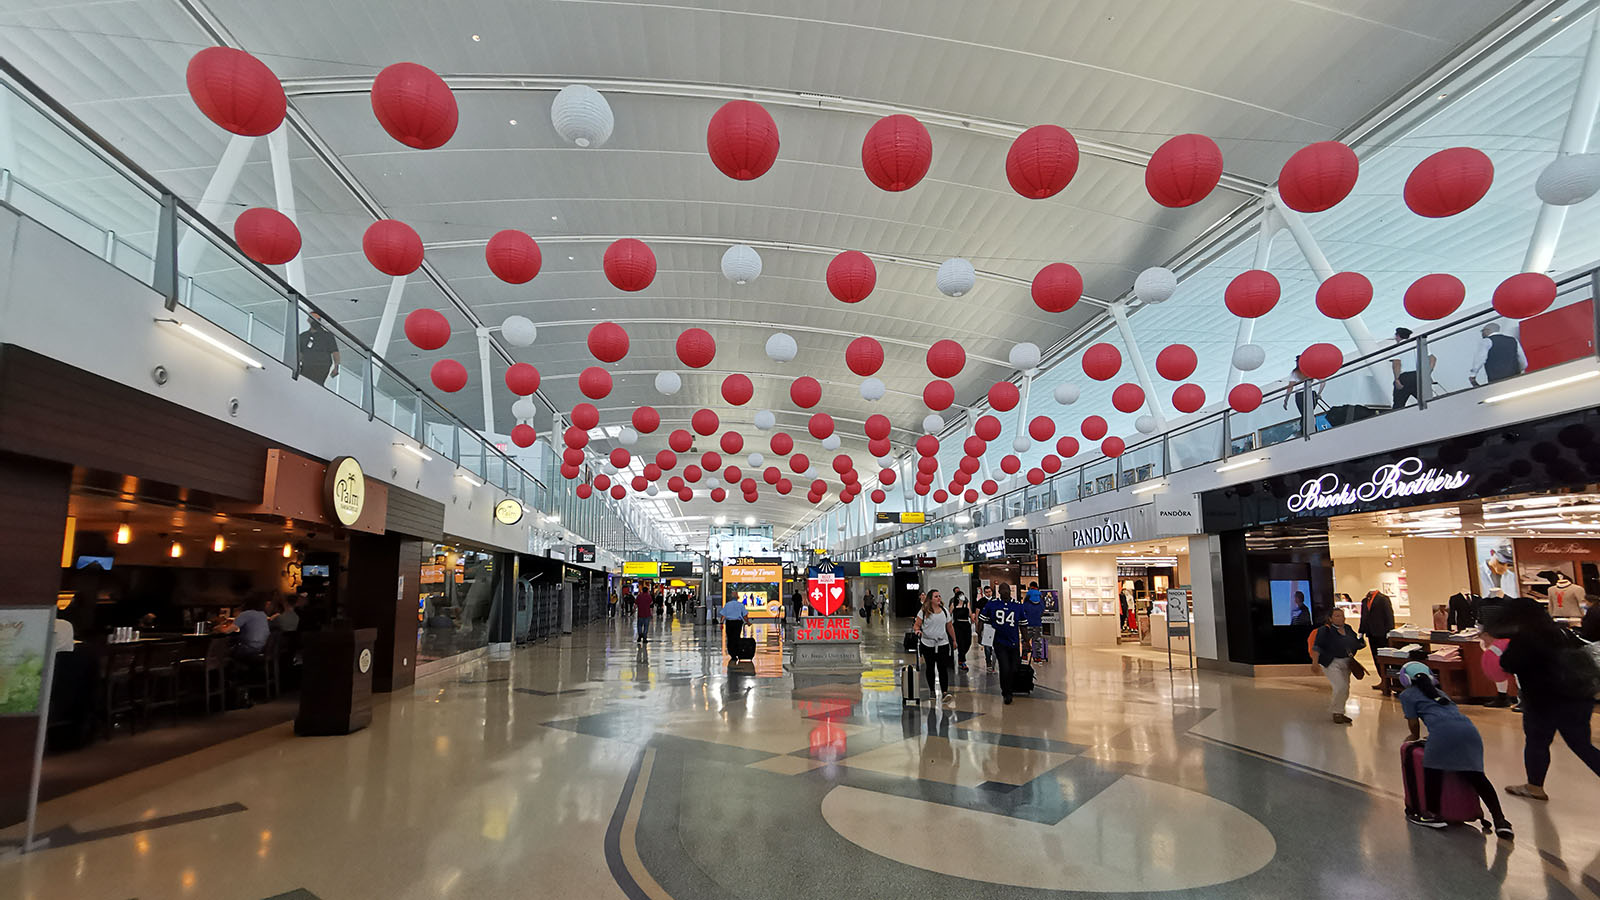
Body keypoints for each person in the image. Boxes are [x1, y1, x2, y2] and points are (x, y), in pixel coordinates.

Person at [1485, 599, 1600, 801]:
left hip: (1543, 701)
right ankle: (1534, 786)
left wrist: (1495, 648)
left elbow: (1508, 664)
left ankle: (1535, 786)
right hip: (1578, 697)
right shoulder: (1561, 632)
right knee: (1582, 745)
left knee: (1537, 742)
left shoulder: (1525, 638)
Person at [1398, 661, 1513, 838]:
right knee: (1477, 777)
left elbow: (1413, 722)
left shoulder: (1407, 695)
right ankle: (1501, 821)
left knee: (1432, 772)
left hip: (1442, 734)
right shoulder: (1440, 692)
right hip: (1469, 731)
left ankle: (1433, 815)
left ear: (1405, 679)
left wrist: (1413, 737)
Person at [1312, 608, 1363, 725]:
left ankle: (1340, 711)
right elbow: (1317, 647)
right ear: (1330, 618)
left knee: (1346, 688)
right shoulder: (1324, 630)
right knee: (1340, 686)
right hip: (1331, 662)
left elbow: (1355, 643)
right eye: (1337, 616)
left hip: (1346, 662)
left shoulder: (1348, 629)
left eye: (1342, 615)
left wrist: (1360, 642)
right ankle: (1336, 712)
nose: (1341, 618)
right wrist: (1314, 663)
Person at [981, 584, 1029, 704]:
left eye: (1007, 590)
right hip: (999, 642)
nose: (1005, 592)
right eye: (1002, 590)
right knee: (1004, 666)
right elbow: (982, 619)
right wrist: (981, 635)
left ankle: (1011, 687)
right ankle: (1007, 692)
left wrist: (1026, 641)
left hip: (1013, 642)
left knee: (1014, 667)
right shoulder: (992, 604)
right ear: (999, 592)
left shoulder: (1017, 606)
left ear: (1010, 591)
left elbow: (1023, 625)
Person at [915, 590, 958, 708]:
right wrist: (918, 631)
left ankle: (944, 691)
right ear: (930, 599)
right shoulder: (923, 611)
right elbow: (917, 625)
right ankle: (932, 690)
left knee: (942, 667)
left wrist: (954, 640)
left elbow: (949, 626)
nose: (939, 598)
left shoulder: (944, 611)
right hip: (928, 643)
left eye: (939, 596)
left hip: (942, 643)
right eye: (936, 596)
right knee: (930, 667)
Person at [1390, 326, 1435, 409]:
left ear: (1398, 336)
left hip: (1405, 377)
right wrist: (1427, 373)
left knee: (1398, 404)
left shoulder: (1398, 348)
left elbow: (1397, 364)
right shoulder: (1418, 345)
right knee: (1426, 400)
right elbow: (1432, 359)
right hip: (1419, 375)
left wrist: (1396, 379)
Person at [1359, 589, 1394, 691]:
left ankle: (1388, 680)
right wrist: (1361, 631)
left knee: (1384, 657)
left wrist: (1390, 630)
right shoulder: (1365, 601)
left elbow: (1389, 615)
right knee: (1376, 657)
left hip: (1382, 633)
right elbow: (1363, 617)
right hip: (1371, 633)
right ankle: (1383, 680)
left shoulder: (1383, 599)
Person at [297, 312, 341, 386]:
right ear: (308, 320)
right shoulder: (303, 336)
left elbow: (335, 351)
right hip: (307, 365)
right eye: (313, 319)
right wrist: (297, 364)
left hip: (322, 365)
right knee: (304, 384)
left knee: (317, 384)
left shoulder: (327, 335)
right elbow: (300, 353)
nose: (315, 321)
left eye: (317, 319)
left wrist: (336, 367)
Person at [223, 595, 271, 662]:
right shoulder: (263, 614)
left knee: (225, 651)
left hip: (249, 649)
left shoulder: (246, 614)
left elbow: (227, 631)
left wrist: (218, 629)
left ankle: (228, 670)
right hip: (262, 648)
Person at [950, 588, 973, 672]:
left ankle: (961, 656)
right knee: (961, 643)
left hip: (966, 624)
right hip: (957, 625)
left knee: (968, 643)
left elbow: (970, 613)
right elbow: (949, 614)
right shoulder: (953, 605)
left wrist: (973, 617)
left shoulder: (966, 604)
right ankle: (962, 661)